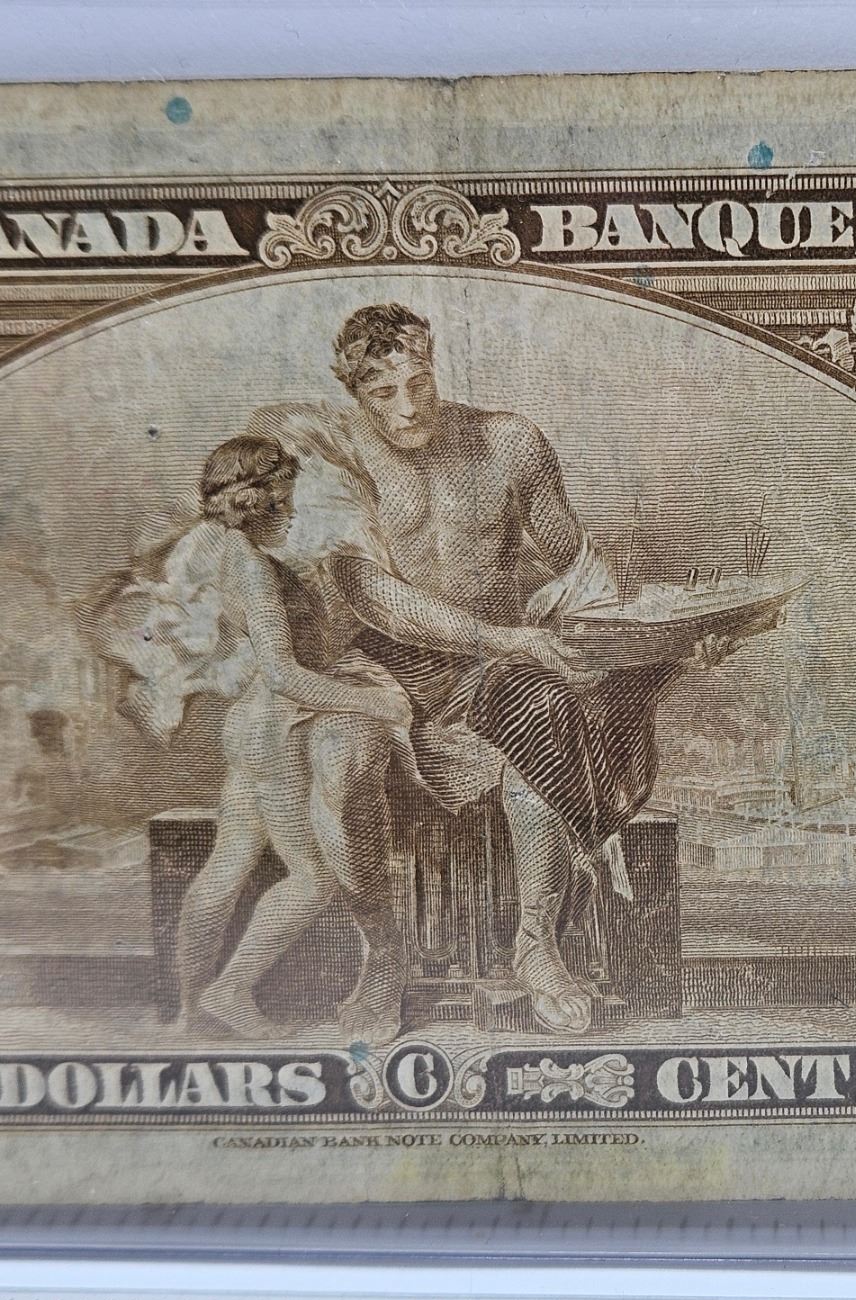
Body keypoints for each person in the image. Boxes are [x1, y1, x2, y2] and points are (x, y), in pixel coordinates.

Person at [291, 303, 730, 1034]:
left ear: (434, 364)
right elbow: (369, 593)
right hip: (381, 664)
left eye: (419, 383)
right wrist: (503, 638)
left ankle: (537, 946)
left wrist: (664, 639)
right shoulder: (335, 465)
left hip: (492, 664)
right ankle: (384, 955)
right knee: (339, 759)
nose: (409, 408)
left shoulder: (507, 444)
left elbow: (578, 569)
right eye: (385, 393)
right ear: (355, 392)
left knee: (545, 723)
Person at [97, 435, 414, 1039]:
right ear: (259, 497)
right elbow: (283, 673)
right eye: (284, 494)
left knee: (226, 868)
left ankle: (192, 1010)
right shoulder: (255, 568)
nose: (292, 507)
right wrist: (376, 701)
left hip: (247, 728)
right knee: (316, 877)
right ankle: (231, 990)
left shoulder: (215, 547)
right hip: (276, 730)